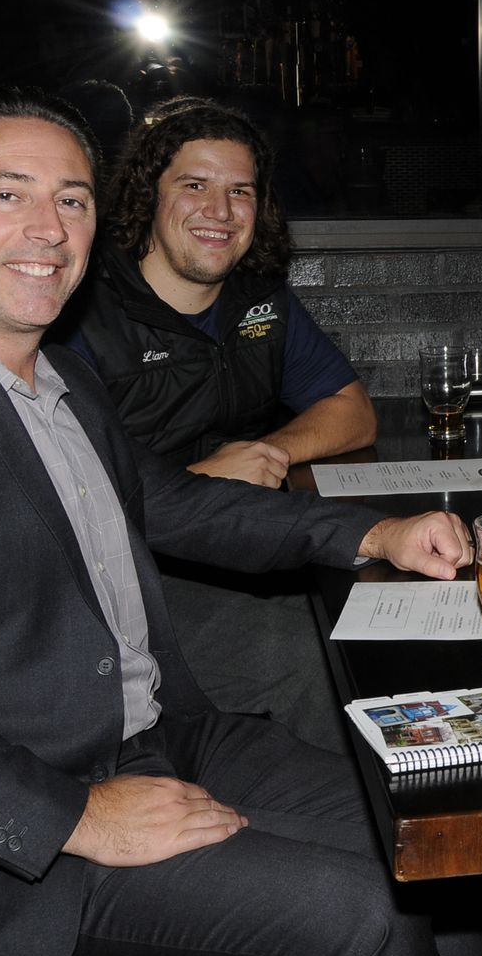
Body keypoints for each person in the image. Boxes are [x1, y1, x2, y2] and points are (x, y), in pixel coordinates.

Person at [0, 88, 478, 956]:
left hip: (160, 735)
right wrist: (76, 815)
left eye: (73, 199)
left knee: (440, 829)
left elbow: (175, 504)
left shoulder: (59, 372)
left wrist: (371, 531)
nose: (50, 228)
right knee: (365, 913)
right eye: (9, 193)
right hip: (15, 839)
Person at [53, 97, 375, 751]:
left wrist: (268, 451)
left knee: (363, 606)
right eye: (194, 185)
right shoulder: (80, 315)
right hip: (125, 590)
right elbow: (60, 506)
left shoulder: (258, 302)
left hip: (235, 546)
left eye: (240, 191)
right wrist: (202, 480)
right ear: (150, 193)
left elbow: (354, 412)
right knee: (313, 653)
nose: (220, 212)